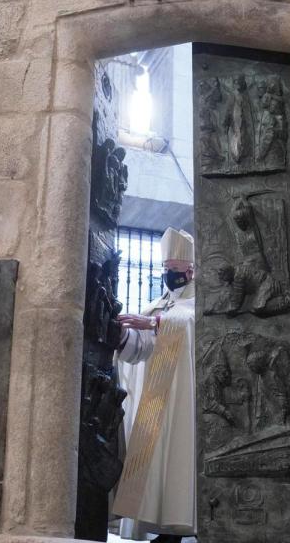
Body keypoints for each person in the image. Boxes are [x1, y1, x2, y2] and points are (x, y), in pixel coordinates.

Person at [112, 228, 197, 543]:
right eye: (165, 269)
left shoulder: (200, 300)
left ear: (190, 270)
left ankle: (178, 526)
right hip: (156, 395)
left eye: (173, 269)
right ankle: (157, 525)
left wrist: (157, 324)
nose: (167, 274)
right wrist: (122, 335)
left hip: (184, 395)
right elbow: (143, 349)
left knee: (178, 453)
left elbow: (195, 323)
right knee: (151, 456)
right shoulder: (158, 304)